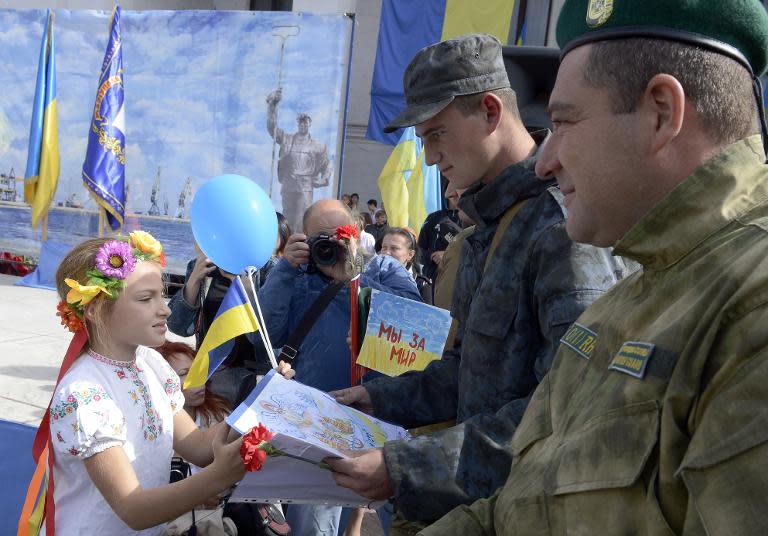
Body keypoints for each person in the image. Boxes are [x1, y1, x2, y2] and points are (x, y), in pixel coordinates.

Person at [419, 1, 768, 533]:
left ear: (660, 114)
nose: (544, 160)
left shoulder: (752, 312)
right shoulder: (633, 293)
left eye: (563, 122)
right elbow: (517, 508)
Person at [325, 33, 635, 530]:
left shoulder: (562, 227)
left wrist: (409, 467)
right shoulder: (490, 229)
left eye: (436, 134)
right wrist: (380, 399)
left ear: (491, 111)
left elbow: (571, 407)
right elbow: (468, 375)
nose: (428, 157)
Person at [29, 232, 289, 534]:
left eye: (161, 294)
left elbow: (199, 446)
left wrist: (262, 403)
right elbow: (134, 509)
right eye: (145, 298)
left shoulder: (151, 364)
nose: (165, 308)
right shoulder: (84, 392)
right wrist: (219, 476)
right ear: (96, 309)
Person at [258, 198, 421, 535]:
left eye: (340, 234)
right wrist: (285, 271)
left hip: (381, 424)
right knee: (316, 528)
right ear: (306, 239)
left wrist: (355, 276)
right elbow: (267, 332)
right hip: (320, 425)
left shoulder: (384, 269)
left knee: (405, 525)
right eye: (322, 238)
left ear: (357, 233)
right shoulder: (296, 276)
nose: (332, 245)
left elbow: (413, 325)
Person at [266, 88, 331, 232]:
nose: (303, 125)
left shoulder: (317, 146)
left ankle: (299, 247)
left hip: (305, 186)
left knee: (301, 219)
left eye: (305, 122)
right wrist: (272, 105)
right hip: (289, 184)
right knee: (287, 219)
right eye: (301, 123)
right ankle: (286, 247)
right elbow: (272, 128)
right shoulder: (287, 139)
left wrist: (323, 180)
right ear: (298, 124)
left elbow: (327, 165)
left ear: (309, 124)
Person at [416, 188, 462, 283]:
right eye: (454, 189)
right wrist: (432, 256)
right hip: (431, 278)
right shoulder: (433, 218)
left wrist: (447, 255)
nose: (456, 193)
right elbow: (419, 251)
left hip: (459, 278)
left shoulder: (471, 218)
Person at [381, 227, 432, 303]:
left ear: (410, 254)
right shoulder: (372, 277)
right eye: (384, 248)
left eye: (394, 248)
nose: (387, 253)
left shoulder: (421, 285)